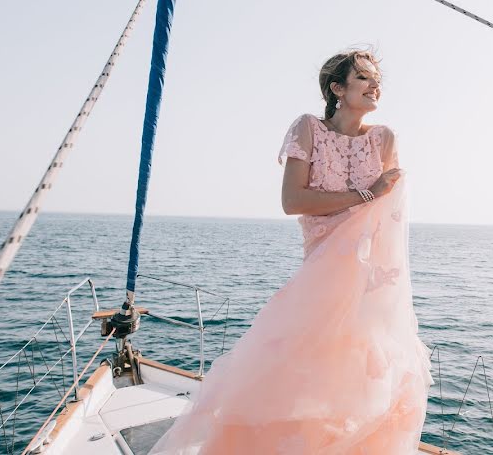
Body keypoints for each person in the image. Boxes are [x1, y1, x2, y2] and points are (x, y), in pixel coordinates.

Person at [152, 49, 431, 454]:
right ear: (337, 89)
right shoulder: (308, 129)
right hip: (321, 270)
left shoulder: (384, 138)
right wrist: (366, 193)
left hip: (370, 276)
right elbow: (293, 200)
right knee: (294, 370)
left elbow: (389, 217)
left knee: (365, 376)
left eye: (377, 79)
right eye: (364, 78)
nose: (375, 86)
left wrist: (385, 284)